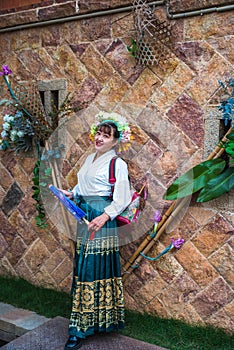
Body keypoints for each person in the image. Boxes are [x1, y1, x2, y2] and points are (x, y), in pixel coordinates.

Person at [61, 111, 132, 349]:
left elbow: (122, 198)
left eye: (106, 136)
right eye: (99, 133)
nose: (100, 138)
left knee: (91, 269)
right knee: (85, 267)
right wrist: (73, 193)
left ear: (116, 141)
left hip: (101, 219)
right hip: (87, 218)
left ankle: (79, 329)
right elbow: (84, 185)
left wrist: (103, 217)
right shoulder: (90, 159)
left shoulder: (117, 163)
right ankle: (93, 321)